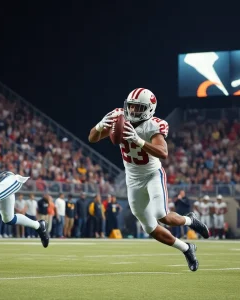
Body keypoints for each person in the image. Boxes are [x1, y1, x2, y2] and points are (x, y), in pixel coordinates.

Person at [88, 88, 209, 271]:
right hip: (132, 179)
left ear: (149, 109)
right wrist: (99, 126)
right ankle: (186, 248)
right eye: (131, 107)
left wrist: (138, 141)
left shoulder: (154, 125)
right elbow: (92, 138)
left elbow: (164, 153)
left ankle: (190, 221)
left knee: (163, 216)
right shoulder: (119, 117)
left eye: (138, 108)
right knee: (149, 227)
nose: (133, 111)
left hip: (153, 174)